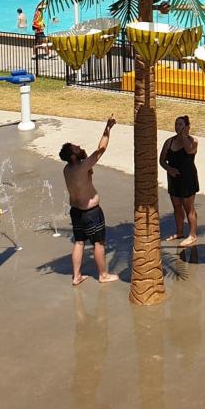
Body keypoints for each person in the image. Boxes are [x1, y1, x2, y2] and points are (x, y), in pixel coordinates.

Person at [60, 116, 119, 286]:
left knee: (79, 242)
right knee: (98, 244)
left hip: (76, 211)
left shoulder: (67, 169)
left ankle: (76, 276)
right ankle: (103, 275)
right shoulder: (82, 166)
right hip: (91, 213)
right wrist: (108, 128)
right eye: (75, 148)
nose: (78, 147)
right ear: (72, 156)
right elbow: (101, 149)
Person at [160, 115, 201, 247]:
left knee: (188, 207)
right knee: (176, 206)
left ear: (187, 127)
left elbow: (189, 151)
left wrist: (184, 135)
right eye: (176, 124)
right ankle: (179, 232)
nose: (177, 127)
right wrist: (169, 169)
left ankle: (193, 235)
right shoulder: (169, 142)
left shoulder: (193, 141)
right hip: (173, 178)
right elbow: (161, 160)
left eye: (181, 125)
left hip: (188, 178)